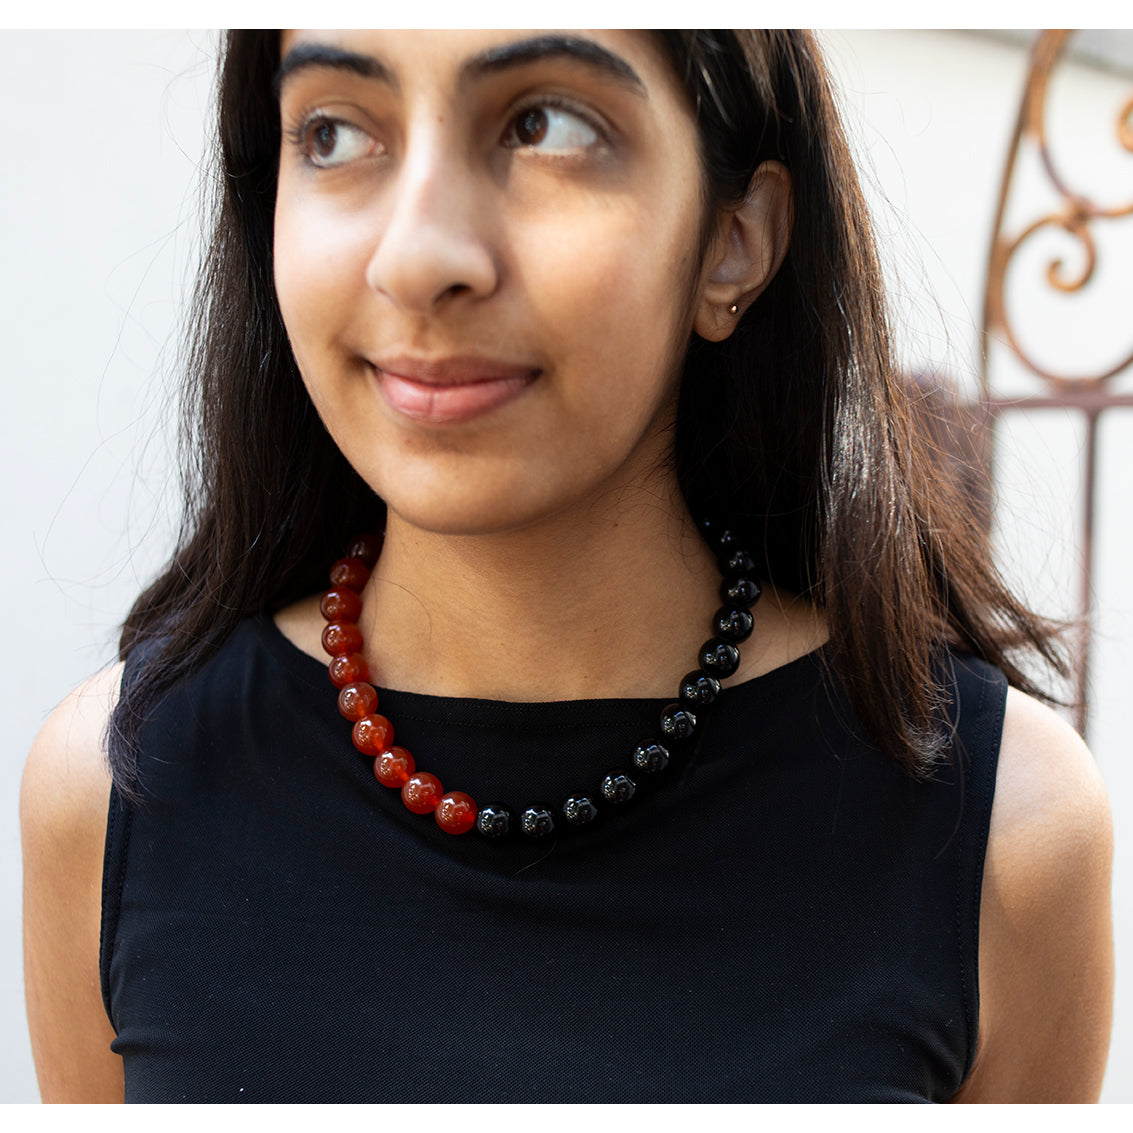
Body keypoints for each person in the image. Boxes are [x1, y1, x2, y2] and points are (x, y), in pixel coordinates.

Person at [21, 29, 1113, 1103]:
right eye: (335, 132)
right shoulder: (114, 792)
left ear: (733, 239)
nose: (416, 258)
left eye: (543, 125)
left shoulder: (1003, 835)